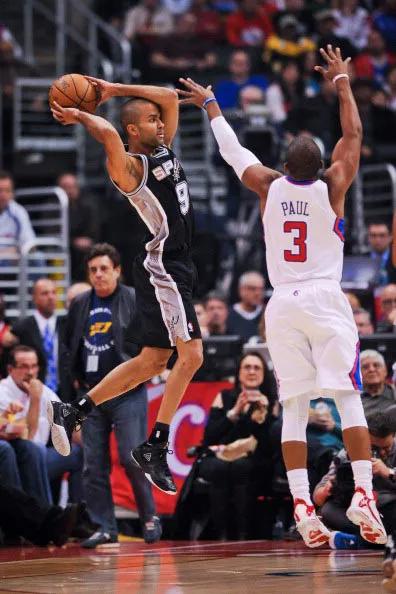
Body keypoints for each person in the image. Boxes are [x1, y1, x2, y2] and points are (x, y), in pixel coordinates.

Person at [178, 44, 387, 547]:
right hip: (324, 296)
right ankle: (362, 493)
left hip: (283, 302)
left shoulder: (269, 186)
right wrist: (341, 81)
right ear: (321, 166)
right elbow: (353, 134)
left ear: (285, 165)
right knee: (347, 397)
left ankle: (300, 506)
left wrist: (211, 106)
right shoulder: (333, 185)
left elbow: (232, 152)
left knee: (292, 405)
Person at [50, 82, 203, 496]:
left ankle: (74, 410)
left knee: (154, 361)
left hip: (181, 265)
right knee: (191, 356)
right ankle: (156, 445)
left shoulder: (162, 149)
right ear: (134, 131)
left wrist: (110, 88)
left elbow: (169, 98)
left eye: (158, 121)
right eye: (150, 120)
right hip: (165, 265)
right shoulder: (130, 168)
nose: (160, 122)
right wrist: (83, 114)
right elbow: (108, 134)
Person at [58, 243, 161, 547]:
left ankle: (149, 517)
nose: (99, 275)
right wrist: (71, 402)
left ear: (117, 271)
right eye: (93, 270)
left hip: (128, 392)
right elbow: (67, 353)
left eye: (105, 268)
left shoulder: (133, 299)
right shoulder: (79, 305)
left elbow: (151, 345)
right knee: (93, 466)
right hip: (89, 396)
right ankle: (104, 526)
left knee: (132, 457)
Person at [199, 352, 275, 539]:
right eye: (247, 367)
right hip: (221, 456)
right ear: (239, 372)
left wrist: (260, 415)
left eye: (257, 368)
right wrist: (235, 412)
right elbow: (210, 437)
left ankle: (243, 534)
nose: (251, 371)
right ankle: (221, 535)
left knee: (242, 467)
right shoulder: (224, 397)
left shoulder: (271, 401)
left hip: (254, 458)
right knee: (219, 468)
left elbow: (267, 443)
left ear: (264, 373)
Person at [0, 345, 83, 504]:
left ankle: (76, 515)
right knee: (33, 450)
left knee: (80, 454)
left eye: (33, 366)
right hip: (18, 459)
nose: (30, 372)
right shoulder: (3, 392)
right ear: (10, 369)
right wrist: (35, 400)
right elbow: (27, 438)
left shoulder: (44, 390)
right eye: (24, 367)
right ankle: (44, 514)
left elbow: (68, 426)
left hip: (41, 455)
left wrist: (93, 445)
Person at [313, 411, 396, 547]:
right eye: (374, 447)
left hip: (390, 507)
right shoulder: (347, 454)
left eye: (386, 448)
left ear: (393, 436)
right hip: (360, 516)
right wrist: (326, 489)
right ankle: (376, 540)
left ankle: (356, 541)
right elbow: (318, 497)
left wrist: (388, 472)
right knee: (327, 510)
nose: (381, 453)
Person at [10, 278, 65, 394]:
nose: (50, 297)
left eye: (54, 292)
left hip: (65, 392)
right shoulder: (21, 328)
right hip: (31, 391)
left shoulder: (67, 324)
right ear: (34, 298)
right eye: (45, 293)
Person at [57, 173, 100, 282]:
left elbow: (94, 230)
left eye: (72, 187)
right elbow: (52, 233)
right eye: (66, 187)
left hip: (83, 249)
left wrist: (87, 241)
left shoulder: (87, 206)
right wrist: (72, 241)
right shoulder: (52, 207)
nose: (70, 191)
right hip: (61, 247)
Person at [0, 170, 36, 260]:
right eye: (0, 190)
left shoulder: (18, 211)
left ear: (12, 193)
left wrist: (15, 251)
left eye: (7, 191)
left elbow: (31, 245)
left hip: (11, 259)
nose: (3, 195)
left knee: (38, 258)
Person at [227, 271, 265, 341]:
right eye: (252, 289)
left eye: (261, 289)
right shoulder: (227, 314)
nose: (258, 293)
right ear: (241, 289)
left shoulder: (267, 313)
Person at [360, 349, 396, 417]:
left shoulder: (394, 394)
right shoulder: (353, 400)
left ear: (385, 371)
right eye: (365, 367)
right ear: (359, 374)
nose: (371, 369)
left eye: (376, 365)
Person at [367, 221, 396, 286]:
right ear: (368, 238)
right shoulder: (360, 259)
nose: (378, 240)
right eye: (373, 235)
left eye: (382, 235)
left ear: (390, 237)